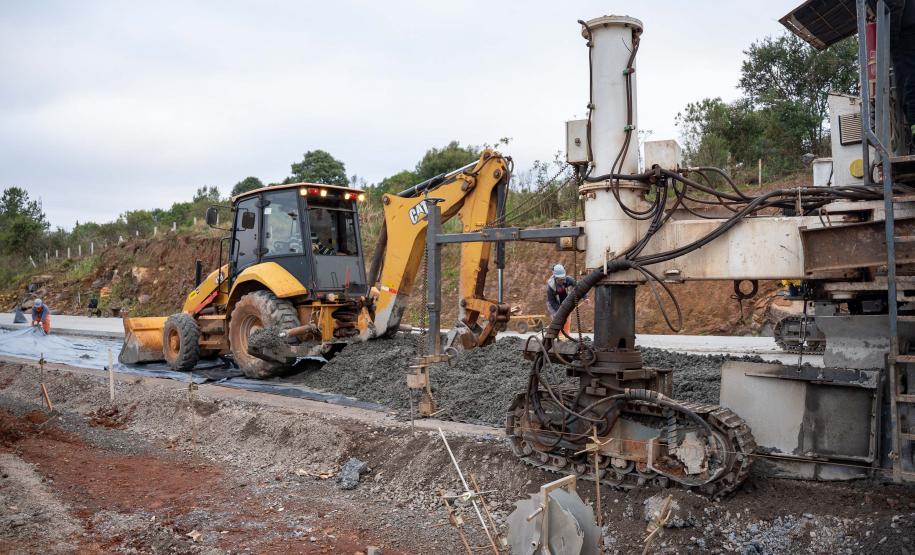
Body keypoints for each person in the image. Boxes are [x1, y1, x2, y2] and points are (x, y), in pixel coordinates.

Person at [546, 264, 577, 338]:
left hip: (563, 297)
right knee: (558, 317)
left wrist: (585, 297)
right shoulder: (551, 286)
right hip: (553, 302)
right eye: (560, 280)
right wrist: (559, 310)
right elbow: (552, 301)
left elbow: (579, 286)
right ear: (555, 277)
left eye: (563, 279)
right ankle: (557, 336)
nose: (562, 281)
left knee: (567, 316)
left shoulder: (567, 279)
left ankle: (566, 335)